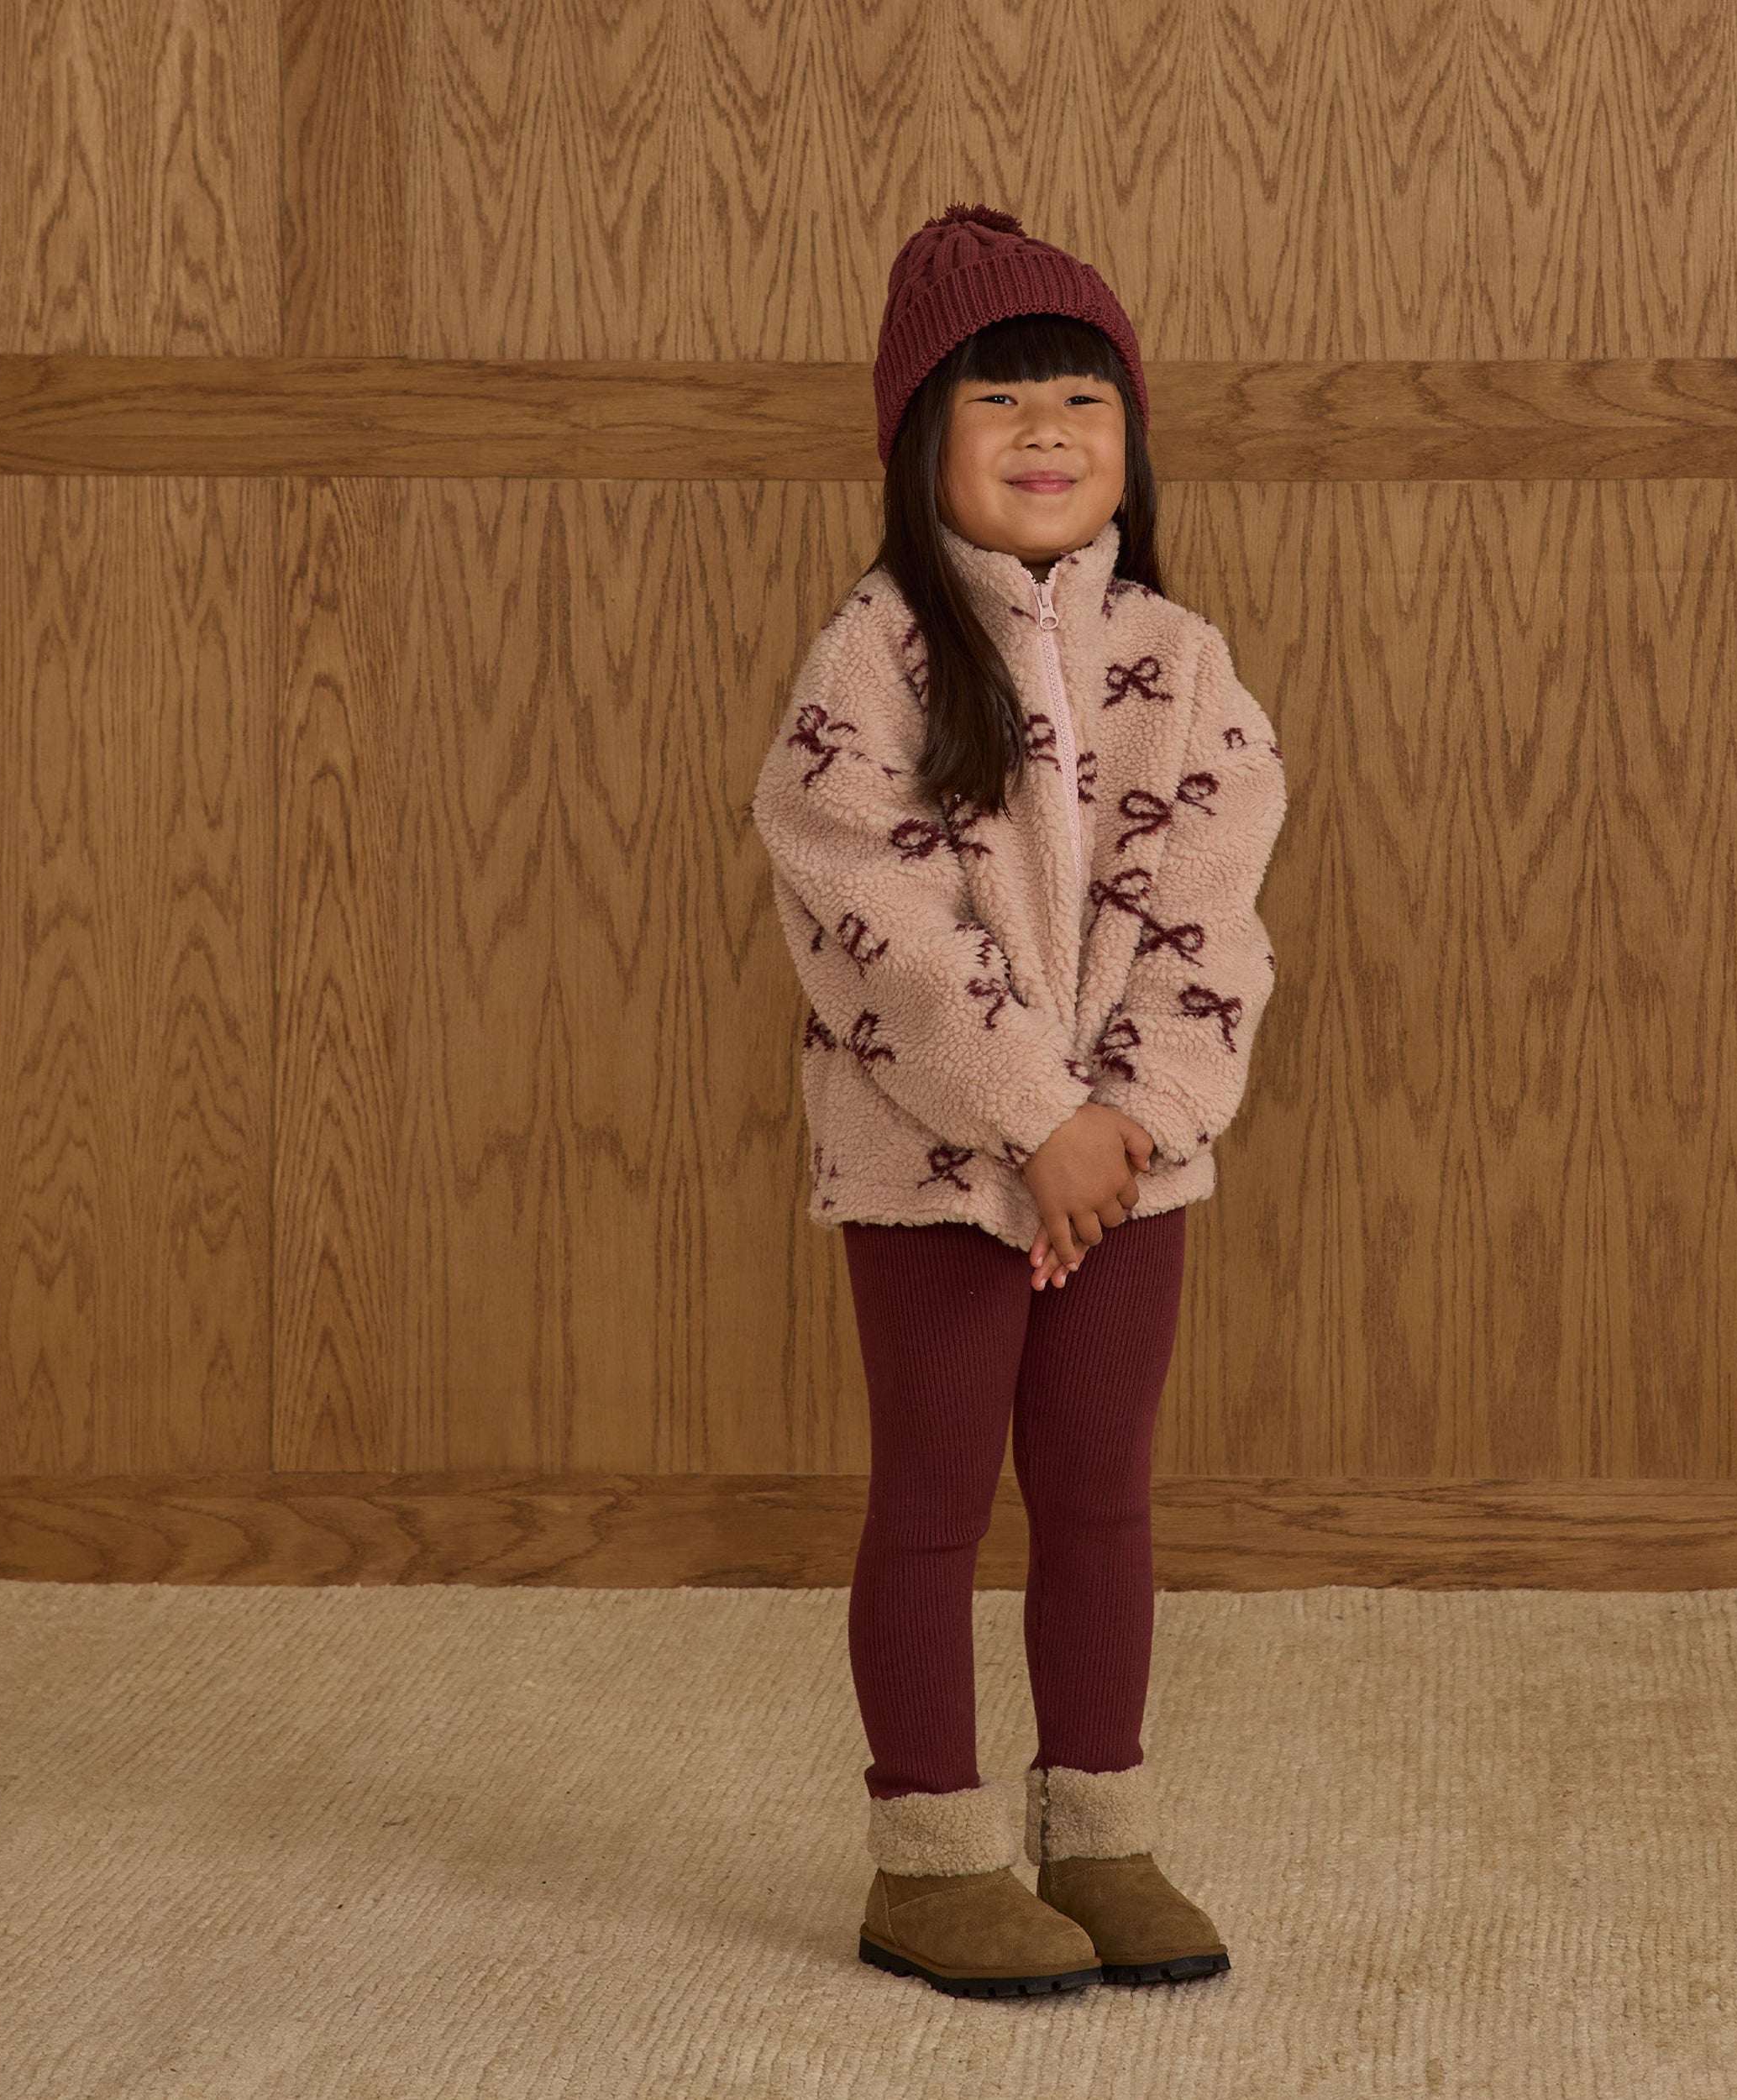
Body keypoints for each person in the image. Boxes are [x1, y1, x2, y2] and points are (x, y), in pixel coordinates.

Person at [748, 202, 1288, 1999]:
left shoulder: (1182, 661)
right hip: (931, 1163)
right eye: (999, 402)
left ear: (1129, 435)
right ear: (922, 442)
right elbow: (875, 910)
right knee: (931, 1498)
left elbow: (1214, 915)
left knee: (1100, 1494)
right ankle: (928, 1858)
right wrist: (1028, 1115)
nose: (1046, 431)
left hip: (1127, 1170)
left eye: (1080, 397)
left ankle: (1101, 1831)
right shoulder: (874, 655)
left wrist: (1125, 1123)